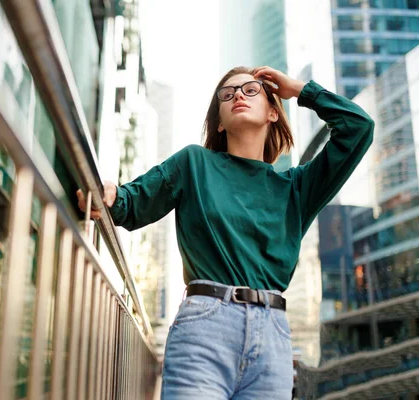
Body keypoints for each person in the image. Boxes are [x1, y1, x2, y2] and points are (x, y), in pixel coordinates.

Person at [77, 66, 374, 399]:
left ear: (273, 112)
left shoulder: (296, 189)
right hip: (205, 328)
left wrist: (300, 91)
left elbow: (359, 128)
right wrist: (109, 195)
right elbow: (132, 203)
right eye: (228, 93)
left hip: (273, 338)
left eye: (251, 90)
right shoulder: (194, 164)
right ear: (219, 121)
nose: (238, 96)